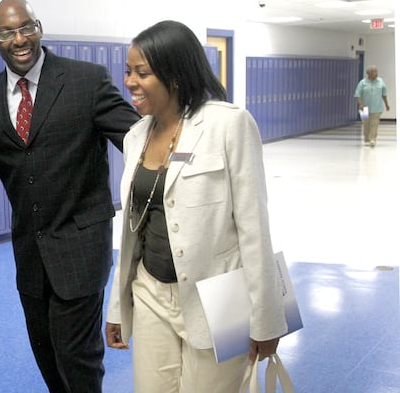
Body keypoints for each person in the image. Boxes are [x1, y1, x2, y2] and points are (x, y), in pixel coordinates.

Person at [0, 0, 139, 393]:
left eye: (26, 27)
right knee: (46, 354)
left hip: (81, 247)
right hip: (31, 253)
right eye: (7, 32)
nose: (20, 39)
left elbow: (137, 139)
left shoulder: (86, 80)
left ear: (39, 27)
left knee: (76, 357)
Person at [105, 20, 288, 392]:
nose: (129, 83)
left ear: (174, 75)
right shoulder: (135, 136)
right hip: (151, 291)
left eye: (142, 73)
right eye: (128, 72)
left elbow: (255, 228)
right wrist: (116, 307)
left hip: (222, 296)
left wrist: (267, 321)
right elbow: (131, 232)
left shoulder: (228, 125)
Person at [355, 65, 390, 147]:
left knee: (374, 124)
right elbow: (357, 94)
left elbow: (384, 94)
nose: (376, 73)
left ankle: (372, 139)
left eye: (376, 71)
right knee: (366, 124)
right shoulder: (362, 83)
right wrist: (360, 104)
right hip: (364, 108)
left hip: (377, 108)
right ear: (368, 73)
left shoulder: (381, 82)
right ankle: (367, 138)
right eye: (374, 72)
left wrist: (387, 104)